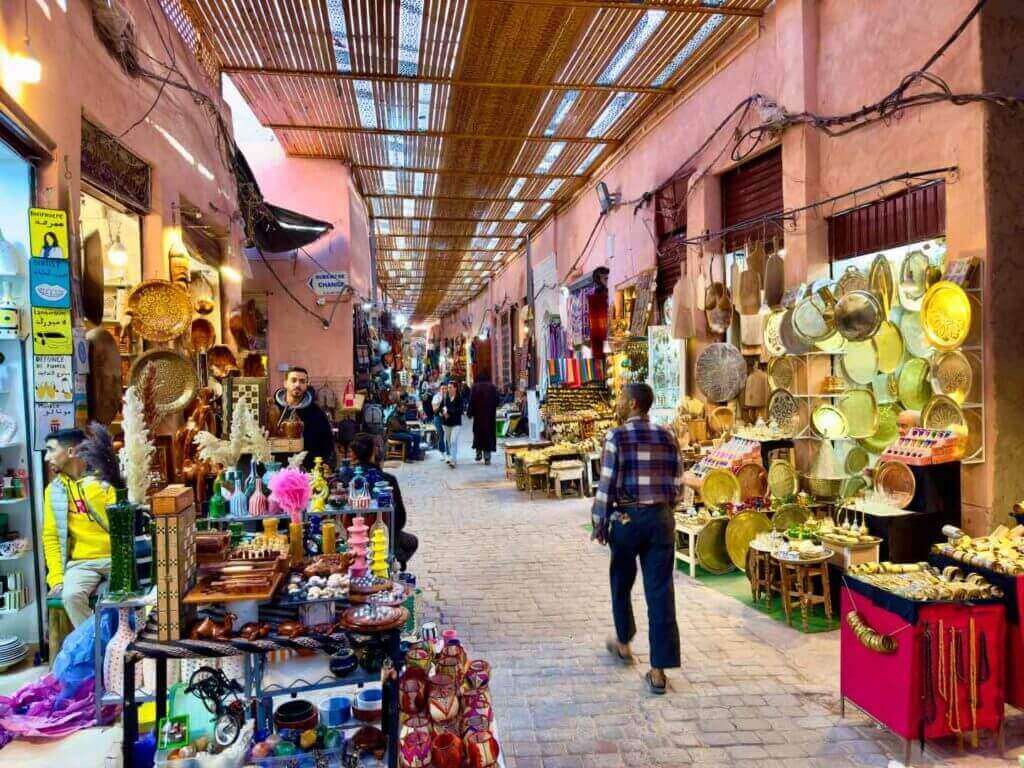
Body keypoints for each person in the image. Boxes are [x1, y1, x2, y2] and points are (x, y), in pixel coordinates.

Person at [591, 383, 683, 695]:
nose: (617, 402)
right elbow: (678, 484)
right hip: (660, 520)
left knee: (621, 581)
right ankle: (658, 671)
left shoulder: (616, 437)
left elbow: (606, 486)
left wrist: (599, 523)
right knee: (660, 592)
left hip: (627, 520)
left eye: (620, 398)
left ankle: (624, 642)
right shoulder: (667, 435)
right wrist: (662, 509)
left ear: (632, 404)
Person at [41, 429, 115, 627]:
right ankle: (95, 646)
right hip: (80, 563)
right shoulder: (53, 491)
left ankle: (122, 646)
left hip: (116, 558)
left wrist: (91, 492)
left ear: (71, 452)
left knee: (123, 598)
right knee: (71, 596)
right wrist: (56, 578)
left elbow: (116, 525)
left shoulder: (106, 482)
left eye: (50, 450)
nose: (47, 457)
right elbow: (51, 537)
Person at [349, 433, 419, 569]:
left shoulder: (345, 477)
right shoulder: (387, 479)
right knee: (410, 542)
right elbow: (399, 520)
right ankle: (396, 564)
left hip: (351, 536)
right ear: (373, 452)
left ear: (353, 454)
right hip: (382, 537)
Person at [272, 366, 336, 470]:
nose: (297, 384)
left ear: (307, 385)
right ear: (285, 383)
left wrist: (325, 465)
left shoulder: (316, 413)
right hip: (276, 471)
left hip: (307, 472)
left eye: (302, 381)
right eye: (293, 380)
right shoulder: (272, 409)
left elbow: (327, 443)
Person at [468, 372, 498, 464]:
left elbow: (471, 401)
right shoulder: (492, 387)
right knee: (488, 435)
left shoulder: (475, 387)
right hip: (489, 417)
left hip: (478, 417)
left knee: (478, 435)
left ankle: (478, 453)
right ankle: (487, 457)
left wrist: (470, 413)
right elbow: (497, 401)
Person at [385, 395, 423, 461]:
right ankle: (406, 457)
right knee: (409, 437)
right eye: (403, 408)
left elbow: (403, 426)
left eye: (405, 408)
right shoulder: (394, 415)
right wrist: (407, 430)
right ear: (398, 408)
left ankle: (415, 454)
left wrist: (407, 429)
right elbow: (397, 428)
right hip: (393, 434)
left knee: (417, 436)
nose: (405, 409)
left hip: (400, 432)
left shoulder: (402, 414)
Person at [440, 381, 463, 468]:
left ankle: (453, 460)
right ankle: (453, 457)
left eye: (450, 387)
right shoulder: (445, 398)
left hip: (456, 423)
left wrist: (449, 412)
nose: (448, 389)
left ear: (455, 388)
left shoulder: (459, 398)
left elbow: (460, 410)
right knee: (449, 442)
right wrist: (443, 413)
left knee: (453, 441)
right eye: (448, 387)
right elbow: (440, 408)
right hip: (446, 423)